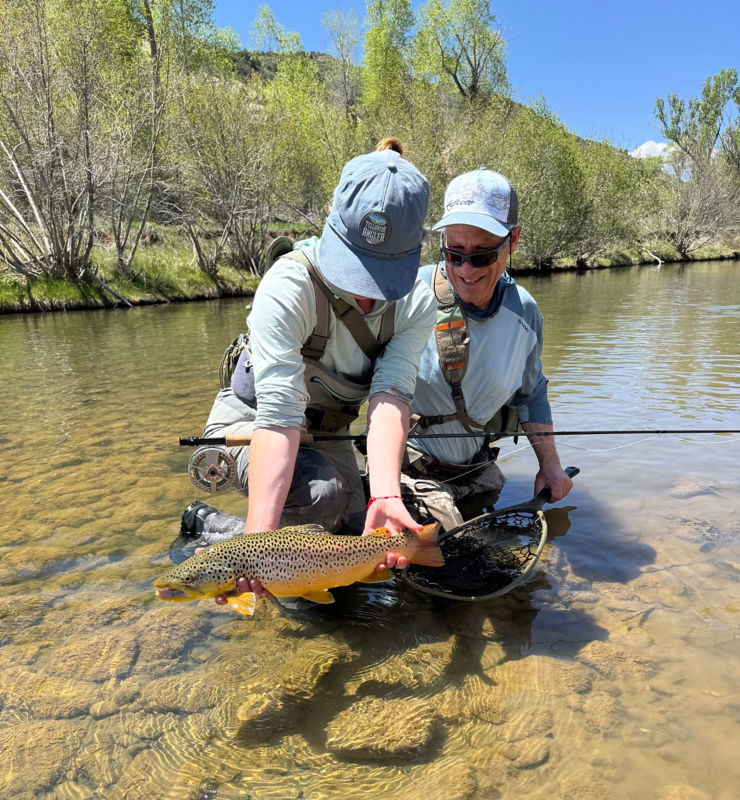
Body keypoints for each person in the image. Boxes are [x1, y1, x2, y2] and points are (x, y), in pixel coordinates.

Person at [176, 139, 437, 606]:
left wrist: (384, 495)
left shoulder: (417, 302)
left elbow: (390, 398)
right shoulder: (288, 286)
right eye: (356, 269)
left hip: (326, 434)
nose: (367, 297)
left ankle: (232, 533)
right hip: (251, 422)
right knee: (323, 495)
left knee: (362, 543)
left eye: (380, 277)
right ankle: (217, 533)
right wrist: (254, 550)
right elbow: (278, 418)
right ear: (330, 223)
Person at [399, 167, 573, 531]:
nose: (465, 269)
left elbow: (531, 395)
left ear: (513, 241)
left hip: (477, 470)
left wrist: (550, 466)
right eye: (454, 252)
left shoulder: (524, 313)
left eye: (481, 255)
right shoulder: (407, 295)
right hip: (411, 472)